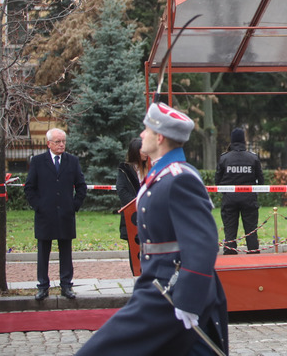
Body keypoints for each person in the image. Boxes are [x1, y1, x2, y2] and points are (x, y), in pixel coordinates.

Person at [77, 102, 228, 356]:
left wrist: (189, 300)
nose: (142, 135)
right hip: (158, 284)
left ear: (159, 137)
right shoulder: (161, 174)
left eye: (146, 130)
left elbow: (203, 244)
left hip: (170, 291)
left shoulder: (180, 177)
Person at [24, 128, 87, 301]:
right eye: (58, 142)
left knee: (65, 251)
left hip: (66, 214)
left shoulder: (72, 161)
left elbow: (81, 186)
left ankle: (66, 285)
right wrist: (38, 206)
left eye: (63, 141)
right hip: (45, 215)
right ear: (48, 143)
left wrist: (74, 205)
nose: (61, 145)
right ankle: (43, 286)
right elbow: (29, 187)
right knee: (43, 251)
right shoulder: (38, 161)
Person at [215, 128, 265, 255]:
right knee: (251, 229)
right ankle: (253, 251)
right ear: (244, 140)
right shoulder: (252, 158)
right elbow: (261, 180)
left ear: (231, 141)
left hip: (229, 198)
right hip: (249, 198)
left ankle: (230, 252)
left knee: (230, 228)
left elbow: (217, 181)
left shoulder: (224, 158)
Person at [116, 137, 147, 242]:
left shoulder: (151, 168)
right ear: (135, 152)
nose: (146, 152)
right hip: (133, 216)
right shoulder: (124, 169)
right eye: (143, 150)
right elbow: (122, 190)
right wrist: (138, 204)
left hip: (148, 215)